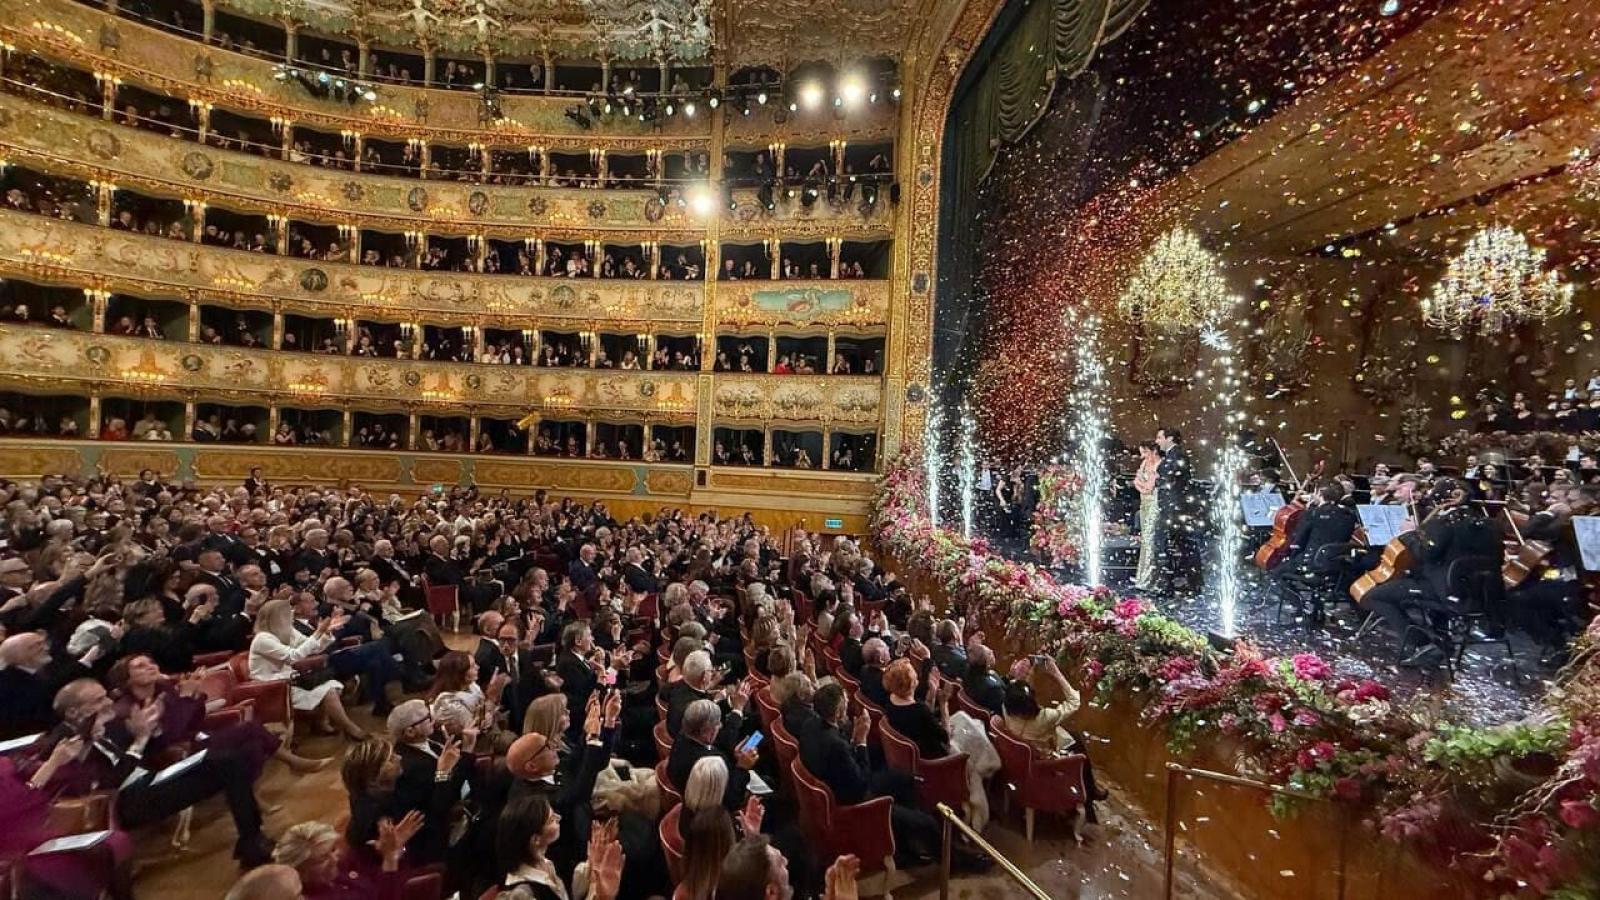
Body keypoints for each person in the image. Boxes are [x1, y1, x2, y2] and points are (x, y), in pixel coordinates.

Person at [248, 596, 366, 740]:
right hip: (271, 686)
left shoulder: (287, 631)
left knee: (332, 687)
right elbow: (293, 656)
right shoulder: (262, 639)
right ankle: (349, 729)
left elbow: (314, 648)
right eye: (287, 612)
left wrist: (327, 632)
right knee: (328, 690)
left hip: (290, 680)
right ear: (277, 617)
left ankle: (324, 724)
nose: (291, 614)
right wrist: (317, 632)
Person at [1131, 441, 1161, 591]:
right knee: (1145, 540)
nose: (1142, 456)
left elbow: (1149, 486)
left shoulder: (1159, 465)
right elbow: (1136, 482)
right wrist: (1142, 486)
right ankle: (1142, 575)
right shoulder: (1144, 464)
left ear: (1153, 451)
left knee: (1150, 540)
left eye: (1145, 452)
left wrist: (1143, 486)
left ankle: (1151, 578)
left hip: (1154, 505)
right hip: (1144, 504)